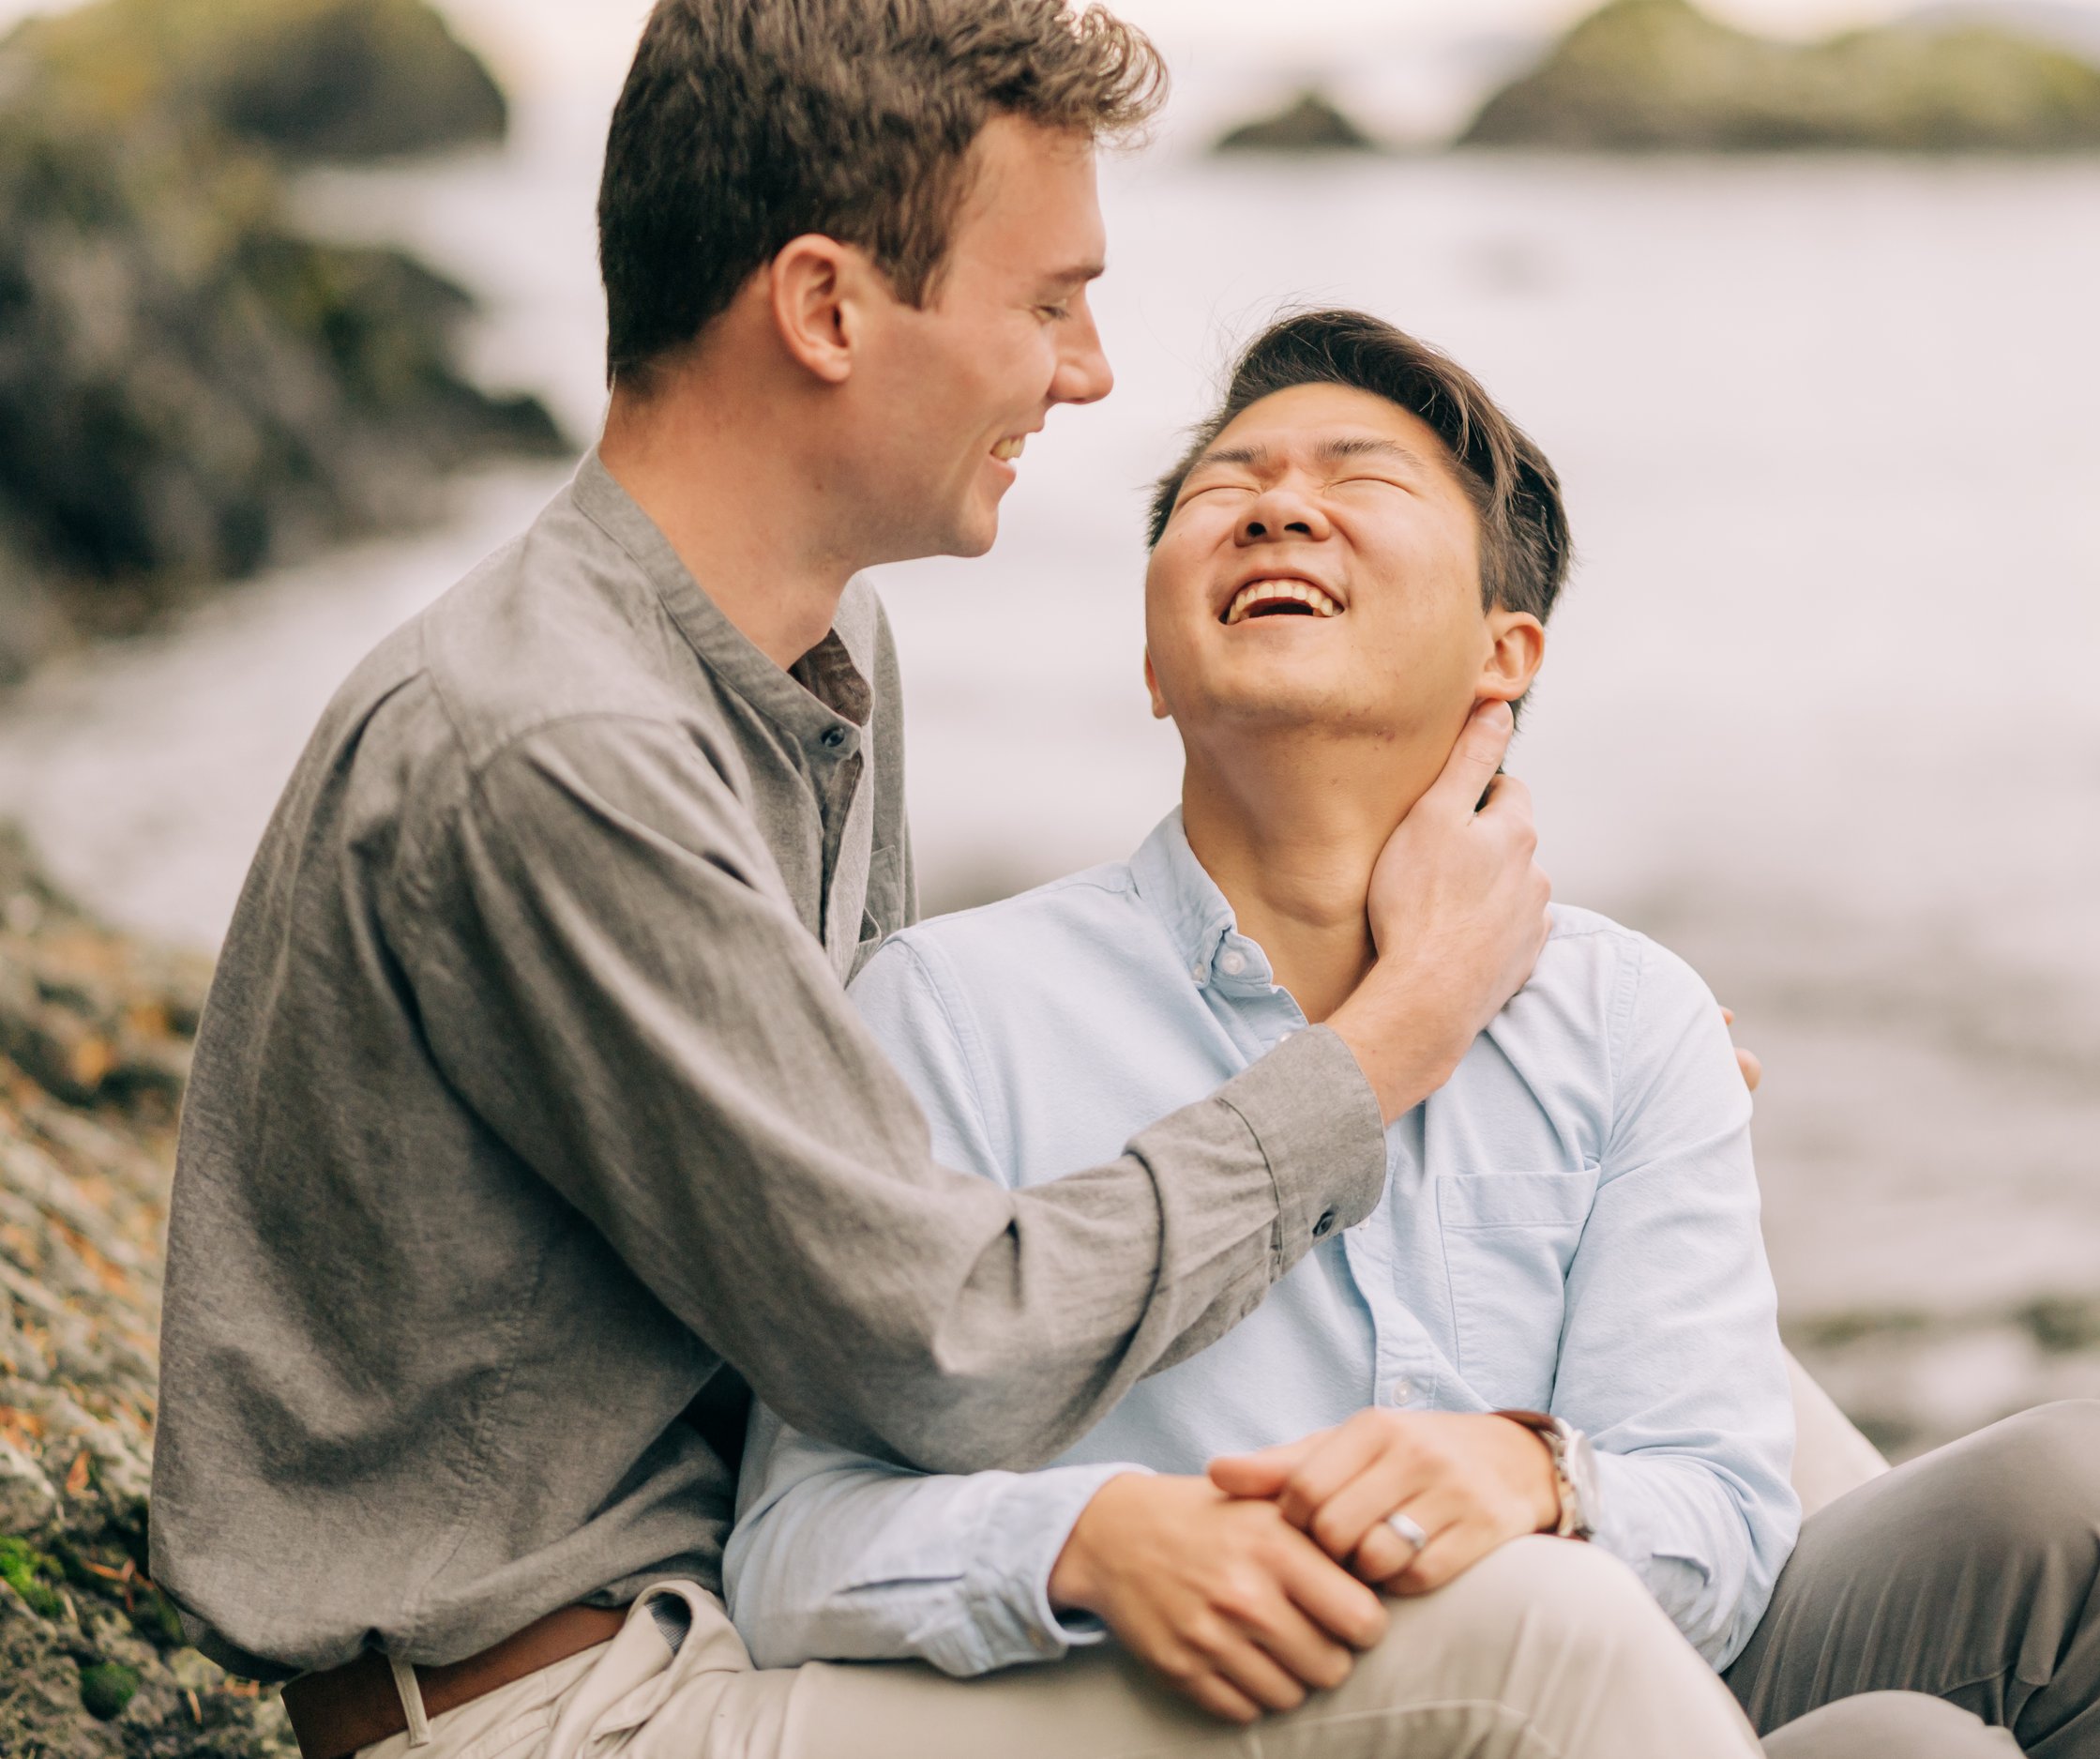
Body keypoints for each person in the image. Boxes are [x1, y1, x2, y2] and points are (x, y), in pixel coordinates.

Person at [144, 6, 1575, 1758]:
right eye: (1047, 301)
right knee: (1523, 1661)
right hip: (562, 1705)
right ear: (827, 310)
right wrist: (1406, 1027)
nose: (1093, 371)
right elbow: (944, 1339)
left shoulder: (826, 650)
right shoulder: (552, 747)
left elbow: (890, 1161)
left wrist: (1546, 1027)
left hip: (756, 1596)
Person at [724, 311, 2100, 1758]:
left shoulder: (1626, 1016)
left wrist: (1538, 1480)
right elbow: (797, 1543)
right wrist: (1104, 1541)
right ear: (1150, 662)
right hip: (1238, 1712)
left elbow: (1725, 1529)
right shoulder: (955, 1005)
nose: (1276, 509)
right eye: (1229, 488)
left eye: (1356, 478)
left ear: (1501, 656)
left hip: (1615, 1684)